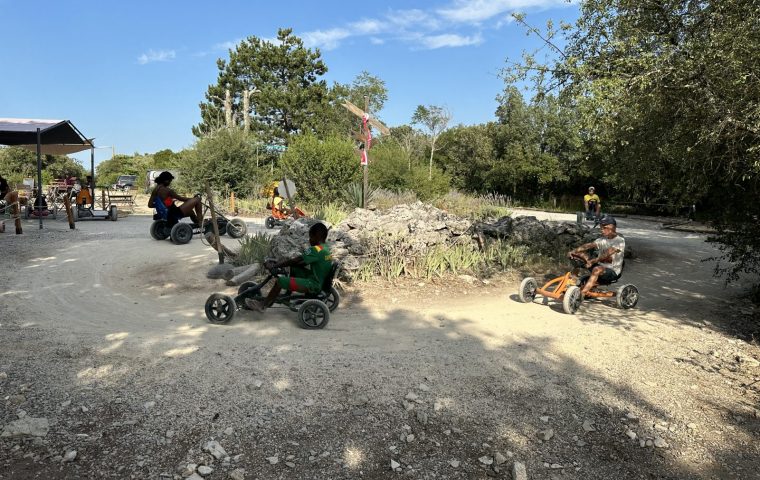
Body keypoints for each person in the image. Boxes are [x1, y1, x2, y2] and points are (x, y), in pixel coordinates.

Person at [246, 222, 332, 312]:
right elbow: (301, 263)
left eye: (310, 237)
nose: (309, 240)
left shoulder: (315, 249)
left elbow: (295, 260)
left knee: (280, 281)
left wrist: (275, 265)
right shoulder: (325, 248)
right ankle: (287, 296)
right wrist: (286, 264)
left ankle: (263, 305)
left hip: (313, 284)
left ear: (316, 236)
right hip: (320, 280)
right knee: (294, 268)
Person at [568, 215, 625, 297]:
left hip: (612, 271)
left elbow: (608, 253)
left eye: (604, 228)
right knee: (576, 255)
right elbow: (588, 245)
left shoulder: (620, 240)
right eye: (601, 228)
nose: (602, 230)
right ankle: (573, 281)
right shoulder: (602, 240)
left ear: (612, 227)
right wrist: (574, 251)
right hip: (599, 266)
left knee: (596, 269)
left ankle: (581, 294)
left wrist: (592, 261)